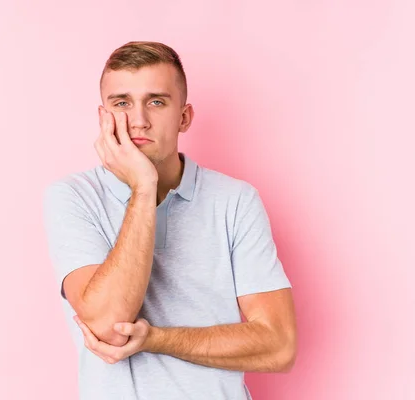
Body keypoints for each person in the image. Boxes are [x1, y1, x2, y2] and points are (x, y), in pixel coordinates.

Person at [42, 41, 297, 400]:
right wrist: (144, 187)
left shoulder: (234, 200)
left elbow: (279, 346)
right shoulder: (73, 196)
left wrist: (157, 339)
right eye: (122, 103)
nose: (139, 120)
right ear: (103, 116)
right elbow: (107, 325)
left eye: (156, 101)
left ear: (184, 117)